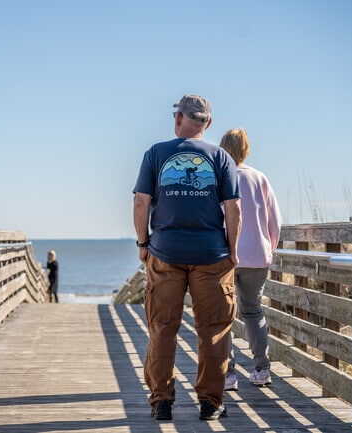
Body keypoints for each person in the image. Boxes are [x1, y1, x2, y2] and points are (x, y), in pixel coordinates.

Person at [133, 94, 241, 421]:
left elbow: (141, 203)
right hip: (211, 256)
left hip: (165, 253)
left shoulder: (155, 154)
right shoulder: (221, 157)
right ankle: (210, 403)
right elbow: (233, 208)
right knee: (213, 330)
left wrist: (143, 242)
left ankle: (162, 402)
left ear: (178, 118)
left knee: (163, 328)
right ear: (207, 123)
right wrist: (233, 249)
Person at [219, 128, 281, 391]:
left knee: (224, 315)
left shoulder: (220, 177)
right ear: (246, 149)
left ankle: (228, 374)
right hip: (257, 256)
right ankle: (262, 369)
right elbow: (275, 222)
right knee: (254, 311)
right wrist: (268, 248)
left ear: (223, 148)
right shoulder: (259, 177)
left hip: (226, 256)